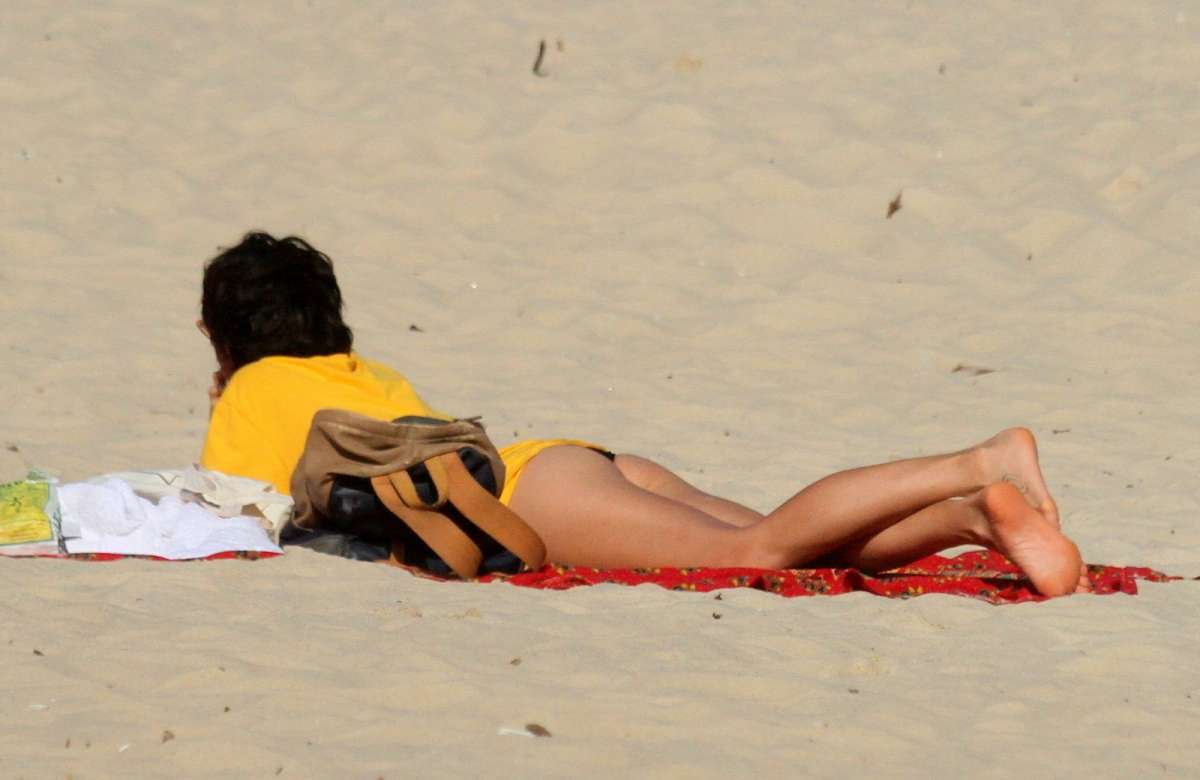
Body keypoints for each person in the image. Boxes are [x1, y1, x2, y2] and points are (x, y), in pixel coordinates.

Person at [199, 232, 1088, 596]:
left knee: (758, 553)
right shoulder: (365, 371)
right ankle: (976, 515)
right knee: (802, 547)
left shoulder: (248, 391)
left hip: (529, 494)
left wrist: (224, 393)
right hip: (563, 461)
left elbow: (229, 505)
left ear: (226, 335)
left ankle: (976, 464)